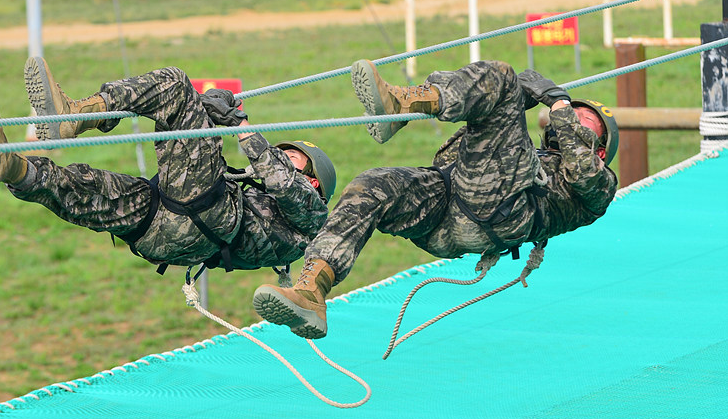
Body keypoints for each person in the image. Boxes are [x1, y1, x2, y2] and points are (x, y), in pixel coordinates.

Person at [253, 59, 618, 339]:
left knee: (503, 77)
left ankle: (400, 105)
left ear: (601, 150)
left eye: (585, 121)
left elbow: (583, 172)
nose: (572, 118)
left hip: (501, 212)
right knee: (373, 185)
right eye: (574, 113)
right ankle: (312, 289)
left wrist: (558, 104)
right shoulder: (524, 151)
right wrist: (509, 104)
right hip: (445, 211)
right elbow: (450, 158)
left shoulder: (600, 182)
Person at [0, 57, 337, 274]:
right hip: (163, 233)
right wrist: (207, 116)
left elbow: (282, 181)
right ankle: (10, 166)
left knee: (175, 85)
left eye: (294, 156)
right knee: (82, 186)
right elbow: (241, 169)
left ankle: (75, 115)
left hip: (204, 216)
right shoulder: (273, 206)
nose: (284, 154)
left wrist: (238, 123)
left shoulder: (312, 216)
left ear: (314, 180)